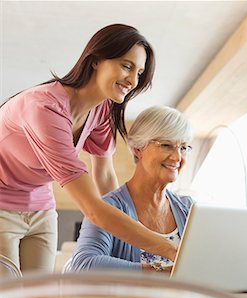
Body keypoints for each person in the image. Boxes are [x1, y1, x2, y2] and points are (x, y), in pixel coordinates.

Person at [0, 24, 177, 275]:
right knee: (7, 296)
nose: (132, 80)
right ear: (95, 60)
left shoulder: (101, 110)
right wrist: (170, 249)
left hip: (40, 206)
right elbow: (93, 207)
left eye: (139, 72)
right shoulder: (44, 108)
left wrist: (133, 227)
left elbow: (104, 176)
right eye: (126, 66)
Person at [70, 106, 193, 272]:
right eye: (166, 145)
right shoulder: (109, 208)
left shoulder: (188, 208)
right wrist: (158, 273)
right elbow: (83, 266)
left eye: (183, 148)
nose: (177, 157)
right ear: (138, 149)